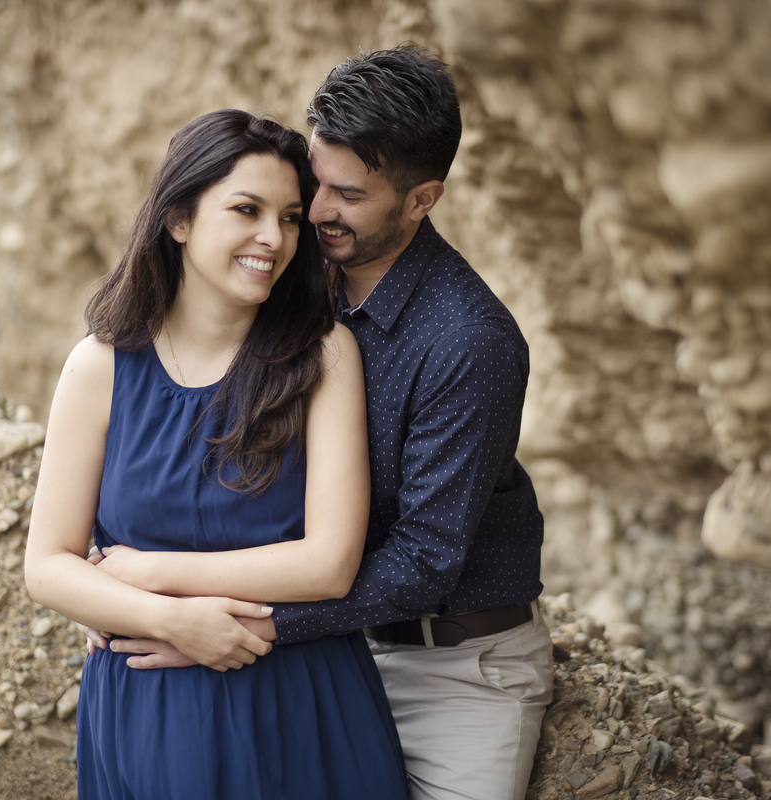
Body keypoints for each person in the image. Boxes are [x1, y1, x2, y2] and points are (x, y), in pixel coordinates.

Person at [93, 47, 554, 800]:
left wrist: (236, 622)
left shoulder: (470, 341)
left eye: (348, 195)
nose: (315, 212)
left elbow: (426, 561)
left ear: (421, 199)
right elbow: (183, 436)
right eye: (316, 181)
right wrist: (125, 598)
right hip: (324, 650)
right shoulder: (279, 278)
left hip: (452, 667)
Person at [24, 108, 408, 800]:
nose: (274, 237)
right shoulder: (99, 366)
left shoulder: (324, 356)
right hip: (145, 708)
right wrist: (172, 620)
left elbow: (330, 564)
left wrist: (144, 576)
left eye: (290, 217)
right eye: (246, 209)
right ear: (178, 219)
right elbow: (47, 565)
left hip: (300, 703)